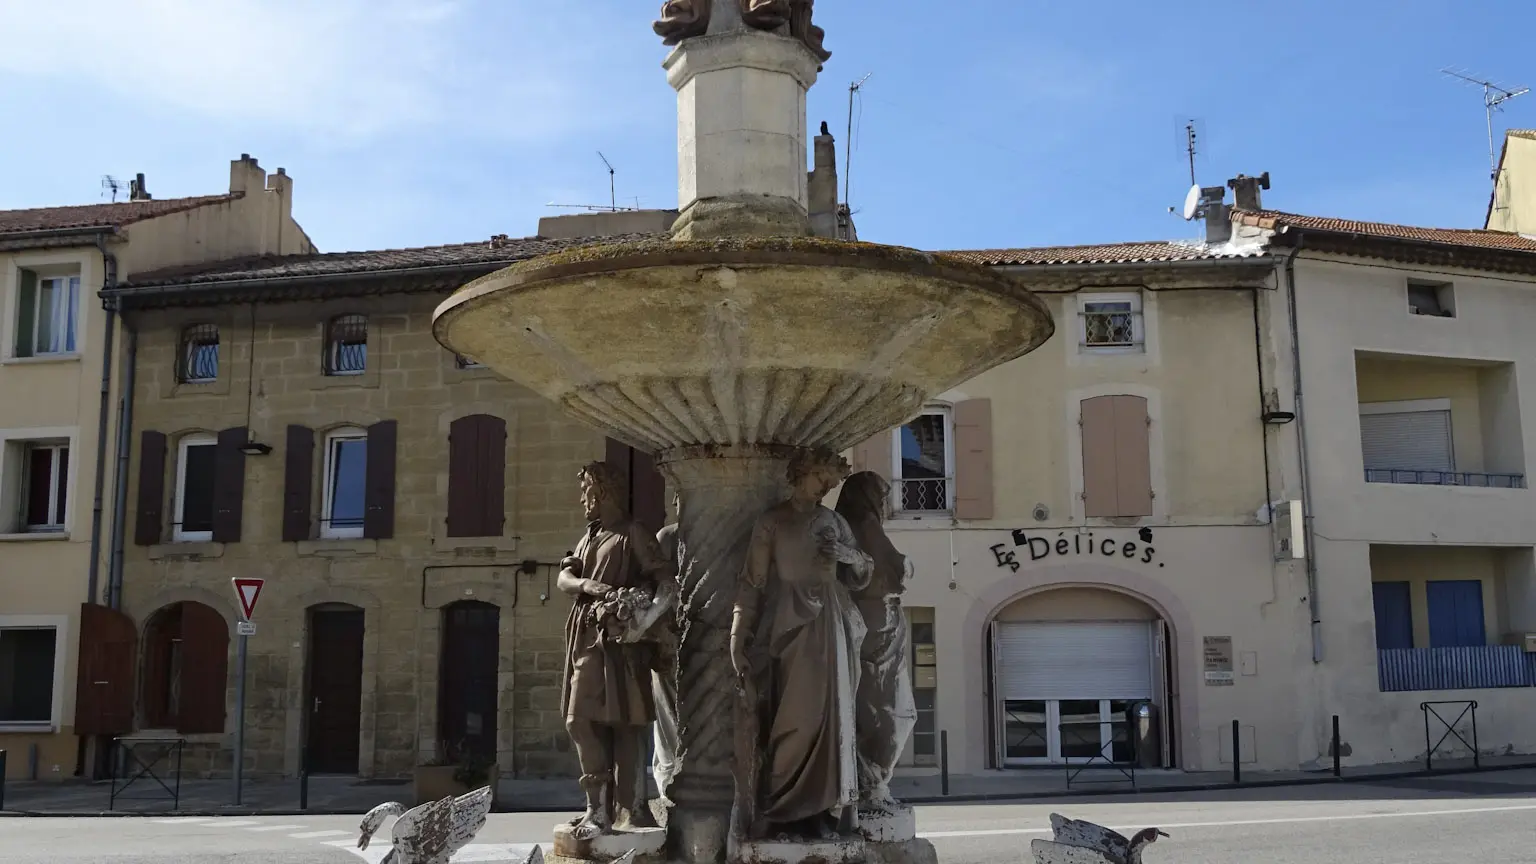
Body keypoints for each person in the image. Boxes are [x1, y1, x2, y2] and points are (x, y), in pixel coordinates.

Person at [731, 450, 872, 839]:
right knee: (794, 721)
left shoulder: (833, 521)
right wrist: (738, 635)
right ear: (800, 473)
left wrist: (848, 555)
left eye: (829, 482)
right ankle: (782, 810)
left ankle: (821, 814)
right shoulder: (772, 522)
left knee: (833, 717)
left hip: (833, 623)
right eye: (820, 478)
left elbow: (863, 571)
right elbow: (752, 583)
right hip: (790, 623)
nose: (825, 487)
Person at [559, 462, 671, 838]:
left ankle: (624, 810)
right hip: (585, 635)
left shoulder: (632, 533)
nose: (582, 499)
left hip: (617, 641)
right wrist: (587, 585)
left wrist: (643, 621)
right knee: (584, 721)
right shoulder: (589, 537)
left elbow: (666, 583)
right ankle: (598, 809)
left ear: (602, 491)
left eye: (586, 491)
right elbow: (564, 579)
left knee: (615, 722)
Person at [835, 471, 917, 809]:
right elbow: (894, 568)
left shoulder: (851, 526)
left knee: (881, 708)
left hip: (876, 621)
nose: (884, 506)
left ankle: (869, 779)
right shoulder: (864, 525)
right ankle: (873, 781)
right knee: (889, 710)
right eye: (881, 497)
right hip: (876, 623)